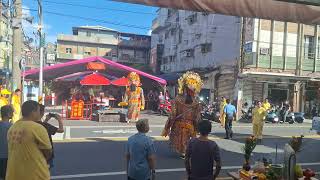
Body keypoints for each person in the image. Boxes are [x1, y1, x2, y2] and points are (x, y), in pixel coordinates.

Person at [6, 100, 52, 180]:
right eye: (38, 111)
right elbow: (48, 152)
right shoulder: (37, 128)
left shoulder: (12, 127)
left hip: (14, 174)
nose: (39, 114)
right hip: (35, 175)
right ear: (33, 112)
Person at [162, 71, 203, 158]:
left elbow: (172, 114)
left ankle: (183, 152)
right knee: (187, 139)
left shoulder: (177, 99)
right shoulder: (196, 102)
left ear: (183, 87)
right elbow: (197, 117)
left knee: (180, 139)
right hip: (190, 125)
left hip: (178, 125)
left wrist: (168, 126)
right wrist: (197, 127)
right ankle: (185, 151)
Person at [37, 104, 64, 169]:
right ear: (42, 113)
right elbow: (61, 130)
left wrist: (46, 120)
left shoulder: (34, 124)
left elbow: (42, 125)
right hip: (46, 154)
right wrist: (59, 119)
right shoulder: (46, 126)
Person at [0, 105, 13, 180]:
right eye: (12, 112)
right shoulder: (12, 127)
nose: (13, 114)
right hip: (7, 156)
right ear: (8, 114)